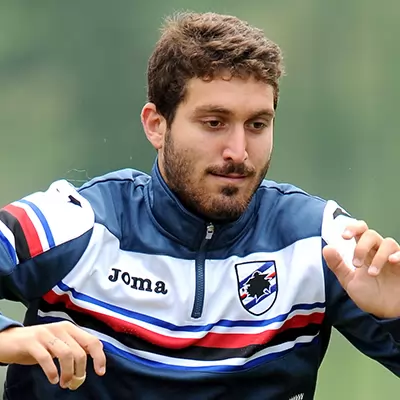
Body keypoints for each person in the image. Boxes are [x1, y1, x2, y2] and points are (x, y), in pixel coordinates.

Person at [0, 11, 399, 400]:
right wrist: (9, 338)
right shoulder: (76, 223)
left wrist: (396, 313)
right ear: (157, 125)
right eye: (214, 123)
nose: (238, 151)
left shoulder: (319, 242)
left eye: (257, 125)